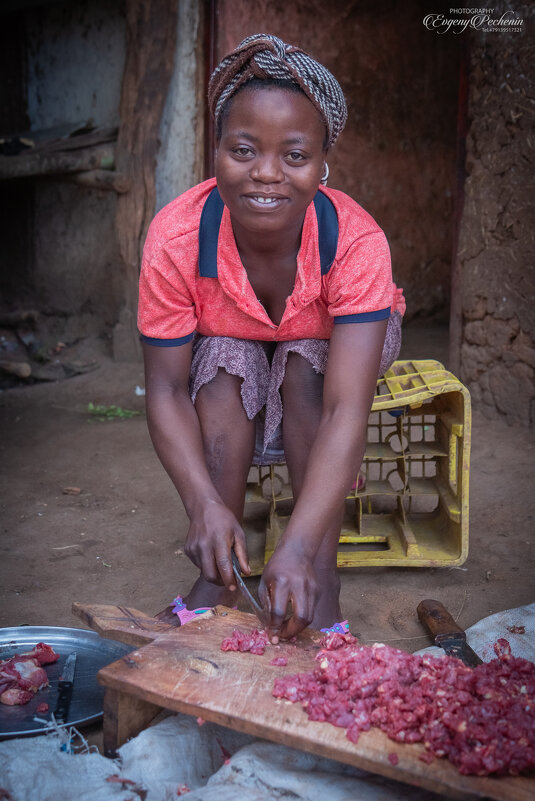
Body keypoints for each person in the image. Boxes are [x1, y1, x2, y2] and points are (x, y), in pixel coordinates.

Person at [138, 34, 405, 641]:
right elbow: (166, 391)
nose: (265, 173)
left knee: (306, 368)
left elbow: (346, 408)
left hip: (333, 344)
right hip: (233, 338)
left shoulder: (357, 243)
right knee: (223, 372)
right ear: (216, 152)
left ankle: (318, 570)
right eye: (243, 149)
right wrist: (201, 504)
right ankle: (221, 576)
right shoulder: (176, 239)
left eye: (294, 155)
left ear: (322, 163)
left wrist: (299, 544)